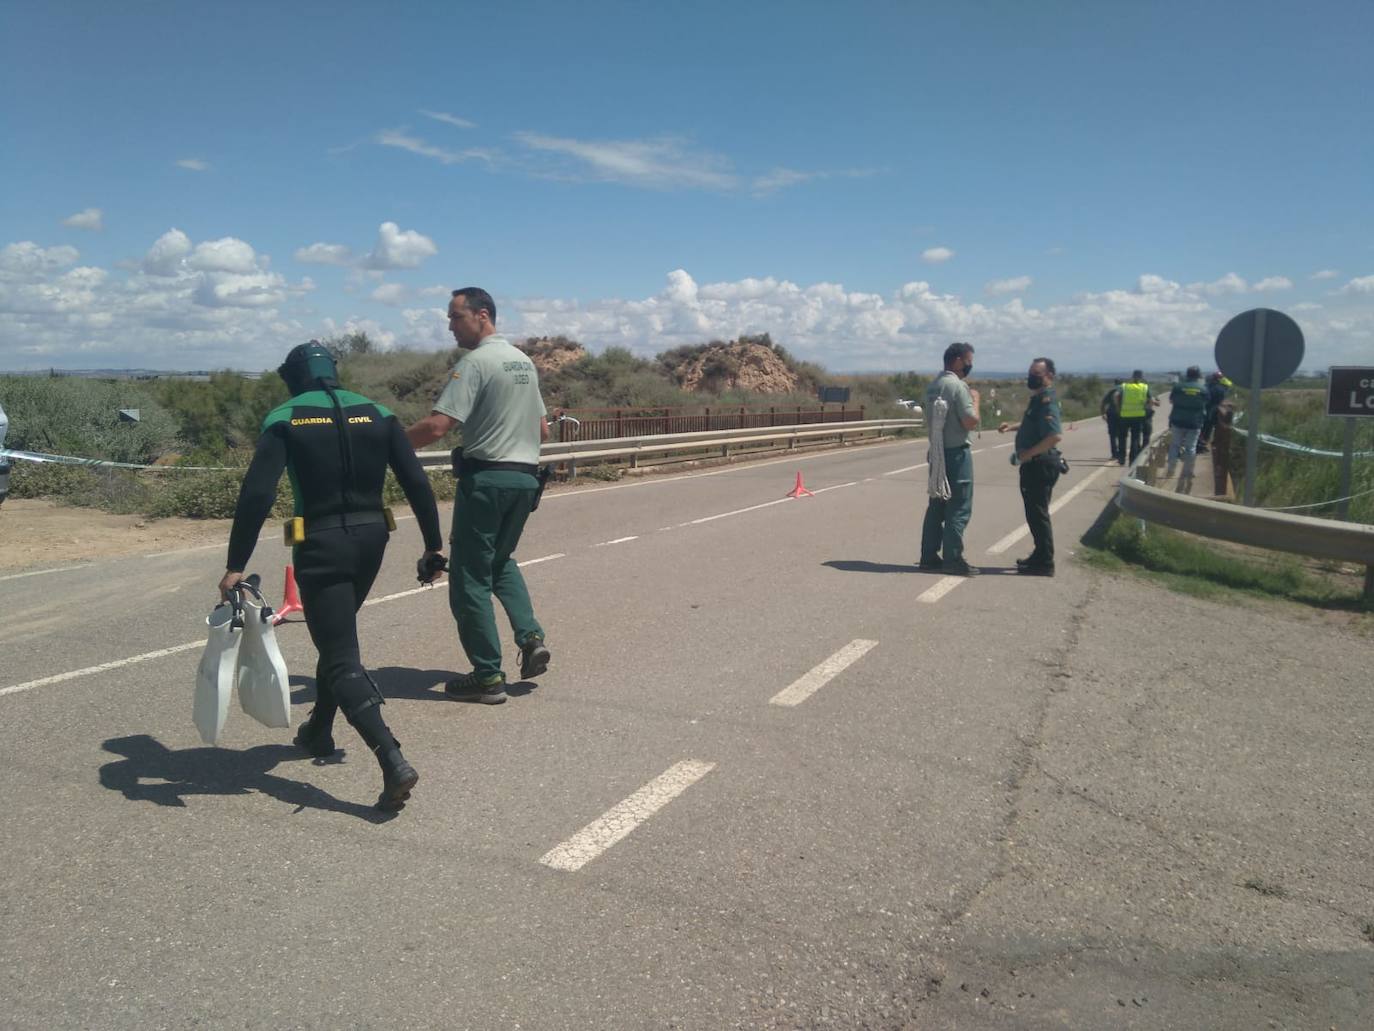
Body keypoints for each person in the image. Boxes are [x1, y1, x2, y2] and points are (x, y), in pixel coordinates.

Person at [218, 342, 446, 812]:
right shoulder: (377, 412)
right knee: (336, 636)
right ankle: (318, 729)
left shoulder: (286, 416)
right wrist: (433, 544)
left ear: (292, 376)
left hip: (321, 544)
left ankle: (392, 759)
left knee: (340, 655)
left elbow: (257, 493)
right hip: (372, 539)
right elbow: (415, 481)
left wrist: (236, 563)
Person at [407, 287, 551, 704]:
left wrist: (388, 444)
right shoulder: (523, 362)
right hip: (525, 480)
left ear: (481, 315)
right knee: (500, 561)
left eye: (455, 316)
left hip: (486, 481)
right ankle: (530, 637)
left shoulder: (474, 363)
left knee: (469, 578)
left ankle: (487, 676)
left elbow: (437, 427)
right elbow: (542, 430)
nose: (450, 325)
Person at [918, 342, 981, 576]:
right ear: (956, 361)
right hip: (955, 454)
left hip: (936, 452)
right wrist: (976, 400)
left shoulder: (933, 386)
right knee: (958, 506)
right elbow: (970, 421)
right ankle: (953, 558)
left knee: (936, 504)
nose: (970, 366)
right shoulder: (958, 386)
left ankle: (928, 556)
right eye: (968, 361)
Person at [998, 357, 1063, 577]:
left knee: (1038, 514)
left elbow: (1054, 436)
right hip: (1035, 465)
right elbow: (1033, 426)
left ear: (1049, 377)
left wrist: (1027, 453)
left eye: (1037, 374)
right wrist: (1012, 427)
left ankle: (1045, 561)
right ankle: (1039, 555)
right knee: (1034, 514)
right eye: (1031, 373)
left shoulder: (1047, 401)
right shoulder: (1037, 400)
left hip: (1040, 464)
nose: (1032, 377)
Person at [1165, 365, 1208, 493]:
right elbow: (1206, 402)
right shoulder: (1203, 389)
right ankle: (1187, 472)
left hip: (1177, 420)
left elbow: (1171, 401)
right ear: (1198, 376)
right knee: (1191, 447)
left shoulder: (1178, 387)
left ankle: (1171, 469)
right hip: (1194, 422)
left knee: (1175, 445)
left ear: (1187, 375)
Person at [1114, 369, 1156, 465]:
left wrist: (1118, 408)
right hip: (1138, 416)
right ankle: (1133, 460)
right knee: (1135, 438)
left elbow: (1116, 396)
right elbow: (1151, 401)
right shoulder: (1144, 387)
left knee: (1122, 437)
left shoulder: (1124, 386)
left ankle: (1121, 458)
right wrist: (1147, 408)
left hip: (1124, 415)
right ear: (1141, 378)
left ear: (1132, 377)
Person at [1196, 371, 1229, 454]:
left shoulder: (1205, 387)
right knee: (1207, 430)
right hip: (1213, 411)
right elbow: (1221, 399)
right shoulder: (1220, 389)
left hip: (1202, 410)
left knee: (1201, 429)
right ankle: (1202, 447)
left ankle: (1199, 445)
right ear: (1219, 379)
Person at [1100, 378, 1123, 462]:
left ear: (1115, 383)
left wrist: (1103, 413)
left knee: (1112, 435)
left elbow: (1103, 403)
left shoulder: (1111, 391)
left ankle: (1114, 454)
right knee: (1121, 435)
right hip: (1122, 415)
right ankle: (1121, 454)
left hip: (1111, 415)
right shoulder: (1125, 391)